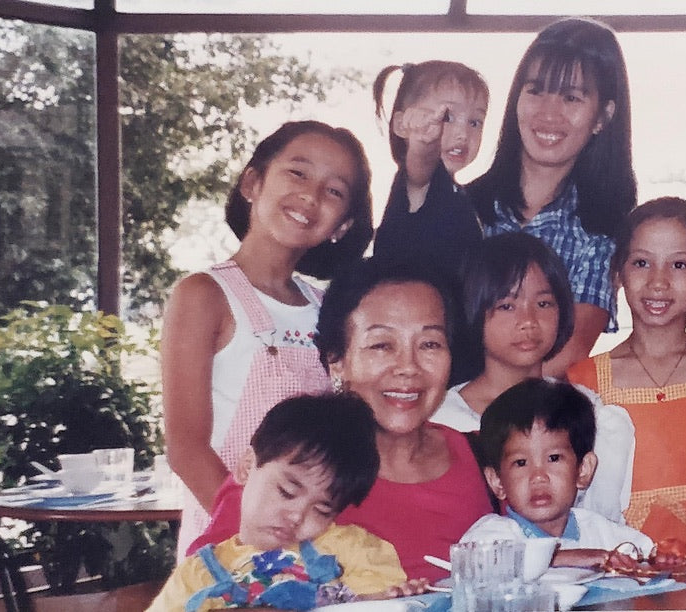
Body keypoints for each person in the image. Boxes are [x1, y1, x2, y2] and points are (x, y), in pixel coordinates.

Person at [190, 260, 494, 583]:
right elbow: (200, 592)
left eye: (430, 344)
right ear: (337, 362)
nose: (409, 367)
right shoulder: (285, 470)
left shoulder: (482, 456)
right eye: (382, 345)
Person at [161, 120, 374, 558]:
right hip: (228, 542)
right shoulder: (204, 295)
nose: (311, 196)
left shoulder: (329, 308)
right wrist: (251, 542)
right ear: (253, 183)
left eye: (334, 191)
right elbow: (186, 448)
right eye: (297, 173)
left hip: (314, 543)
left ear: (343, 224)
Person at [568, 197, 686, 552]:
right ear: (617, 273)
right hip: (617, 574)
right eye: (641, 263)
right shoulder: (582, 380)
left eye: (679, 265)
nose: (658, 282)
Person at [467, 17, 636, 377]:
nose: (548, 113)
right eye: (536, 90)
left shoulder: (603, 233)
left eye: (571, 97)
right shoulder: (462, 208)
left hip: (528, 416)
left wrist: (485, 410)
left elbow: (569, 352)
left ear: (603, 116)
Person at [430, 232, 635, 522]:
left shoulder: (590, 414)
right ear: (474, 311)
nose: (528, 321)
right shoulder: (443, 421)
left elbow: (604, 524)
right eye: (506, 306)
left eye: (543, 304)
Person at [149, 394, 420, 611]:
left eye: (322, 509)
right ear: (246, 467)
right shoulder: (197, 574)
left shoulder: (355, 552)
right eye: (288, 492)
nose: (297, 516)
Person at [460, 378, 653, 568]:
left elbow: (644, 554)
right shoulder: (492, 534)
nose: (538, 477)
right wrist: (562, 558)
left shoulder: (599, 530)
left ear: (583, 470)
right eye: (521, 463)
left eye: (553, 458)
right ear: (497, 481)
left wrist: (662, 559)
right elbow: (476, 565)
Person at [370, 61, 489, 283]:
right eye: (447, 117)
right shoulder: (420, 181)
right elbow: (421, 167)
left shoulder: (459, 195)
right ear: (402, 124)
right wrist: (423, 143)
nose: (463, 133)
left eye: (474, 122)